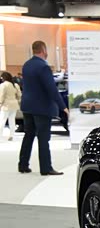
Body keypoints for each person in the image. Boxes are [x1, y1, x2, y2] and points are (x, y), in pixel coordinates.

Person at [18, 41, 68, 175]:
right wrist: (63, 107)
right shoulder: (43, 67)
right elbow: (52, 89)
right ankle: (46, 168)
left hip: (27, 106)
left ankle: (23, 164)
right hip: (41, 108)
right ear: (43, 50)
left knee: (28, 135)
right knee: (43, 138)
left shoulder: (26, 65)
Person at [0, 71, 22, 141]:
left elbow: (1, 96)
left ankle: (0, 135)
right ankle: (11, 135)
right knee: (12, 120)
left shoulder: (3, 85)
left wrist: (0, 103)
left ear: (4, 77)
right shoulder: (15, 85)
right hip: (14, 105)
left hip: (5, 105)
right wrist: (17, 101)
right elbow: (19, 95)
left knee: (2, 120)